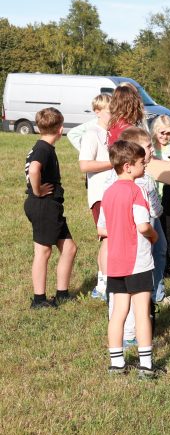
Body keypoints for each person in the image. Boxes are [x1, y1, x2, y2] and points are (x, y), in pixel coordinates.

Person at [98, 140, 159, 378]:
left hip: (115, 261)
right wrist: (153, 237)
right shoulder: (137, 190)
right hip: (138, 261)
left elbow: (102, 229)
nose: (145, 166)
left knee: (118, 311)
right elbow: (143, 225)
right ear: (128, 166)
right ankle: (146, 365)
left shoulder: (108, 191)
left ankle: (116, 363)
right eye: (141, 163)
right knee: (142, 311)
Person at [24, 107, 78, 310]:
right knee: (43, 251)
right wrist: (37, 190)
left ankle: (62, 294)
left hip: (51, 207)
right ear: (60, 129)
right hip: (43, 205)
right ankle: (39, 299)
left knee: (70, 248)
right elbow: (35, 168)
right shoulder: (43, 149)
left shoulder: (42, 146)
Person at [77, 93, 113, 299]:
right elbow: (85, 165)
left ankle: (104, 282)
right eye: (109, 111)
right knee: (107, 237)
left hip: (113, 192)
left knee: (110, 238)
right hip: (101, 193)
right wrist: (113, 163)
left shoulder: (111, 132)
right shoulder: (92, 133)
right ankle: (103, 286)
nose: (113, 115)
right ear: (97, 111)